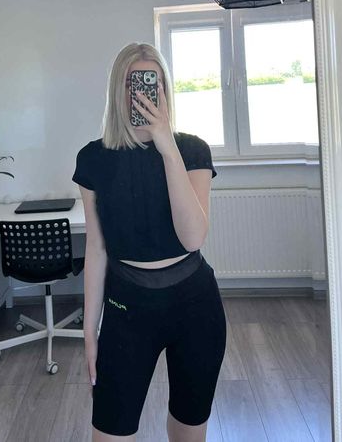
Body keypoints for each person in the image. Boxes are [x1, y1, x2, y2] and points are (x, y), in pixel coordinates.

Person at [72, 42, 226, 442]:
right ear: (117, 90)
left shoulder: (191, 150)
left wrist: (166, 146)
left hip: (196, 306)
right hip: (127, 307)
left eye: (150, 82)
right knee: (110, 430)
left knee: (189, 429)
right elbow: (96, 248)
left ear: (164, 89)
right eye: (131, 82)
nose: (140, 92)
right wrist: (89, 330)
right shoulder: (93, 159)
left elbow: (193, 237)